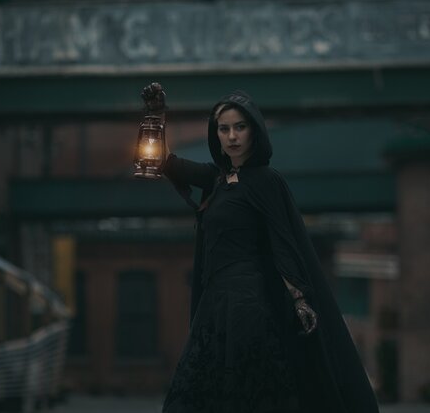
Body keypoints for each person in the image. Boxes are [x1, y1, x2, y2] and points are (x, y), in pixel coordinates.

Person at [158, 87, 379, 413]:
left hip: (251, 305)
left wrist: (300, 299)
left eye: (240, 127)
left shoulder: (266, 181)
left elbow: (283, 241)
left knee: (250, 396)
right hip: (215, 306)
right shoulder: (216, 179)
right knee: (197, 395)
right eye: (224, 128)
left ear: (254, 131)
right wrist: (155, 116)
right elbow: (160, 161)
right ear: (215, 133)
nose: (232, 136)